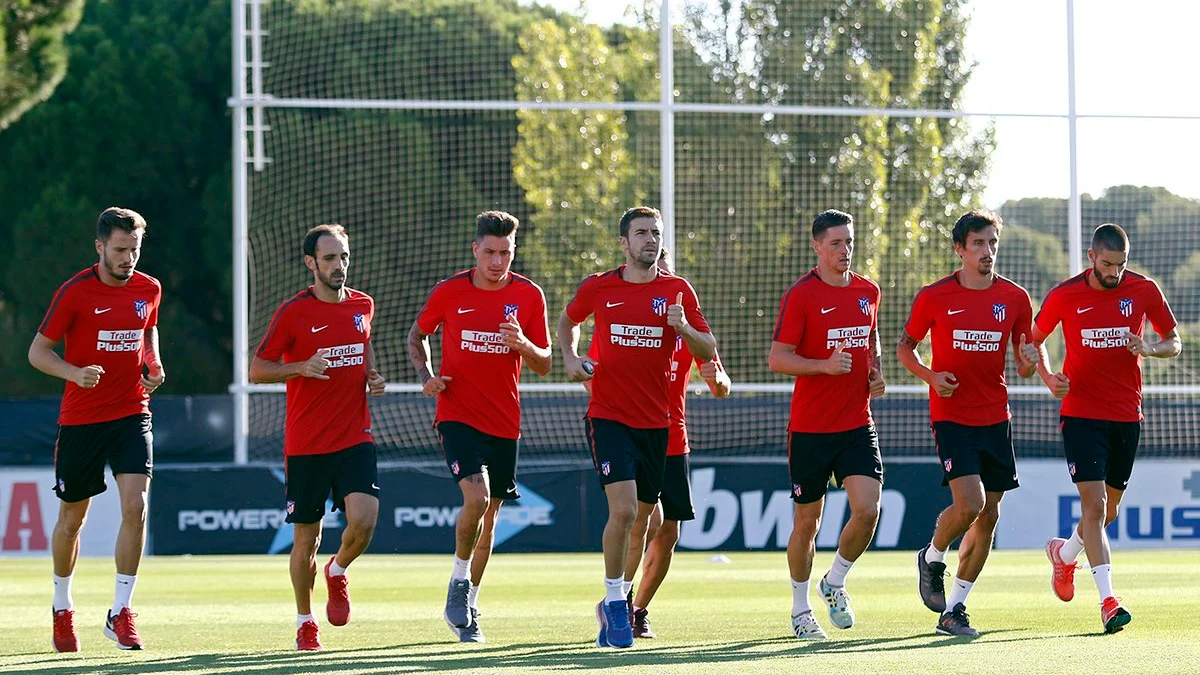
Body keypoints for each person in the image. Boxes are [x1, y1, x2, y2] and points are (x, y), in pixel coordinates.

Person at [558, 206, 717, 649]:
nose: (650, 239)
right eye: (641, 233)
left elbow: (708, 348)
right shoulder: (599, 286)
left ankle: (621, 603)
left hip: (656, 423)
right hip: (608, 416)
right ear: (623, 243)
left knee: (647, 520)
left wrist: (683, 326)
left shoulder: (677, 290)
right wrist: (570, 359)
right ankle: (615, 602)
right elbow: (569, 320)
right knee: (625, 510)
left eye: (656, 233)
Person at [407, 210, 552, 643]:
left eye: (505, 252)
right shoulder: (450, 291)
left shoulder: (529, 296)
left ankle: (468, 602)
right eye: (489, 251)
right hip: (457, 415)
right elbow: (417, 335)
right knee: (477, 496)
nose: (497, 261)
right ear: (475, 249)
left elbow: (544, 363)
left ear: (514, 251)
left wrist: (523, 344)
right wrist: (426, 377)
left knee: (491, 521)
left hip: (505, 422)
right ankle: (457, 580)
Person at [1033, 223, 1181, 634]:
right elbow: (1034, 339)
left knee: (1108, 510)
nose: (1115, 273)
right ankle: (1109, 601)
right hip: (1080, 413)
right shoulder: (1065, 294)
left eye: (1121, 265)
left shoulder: (1144, 289)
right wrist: (1048, 376)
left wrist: (1150, 347)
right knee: (1095, 506)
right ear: (1091, 257)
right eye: (1108, 264)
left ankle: (1064, 555)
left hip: (1127, 415)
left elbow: (1174, 341)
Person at [30, 207, 165, 652]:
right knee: (73, 520)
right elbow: (38, 352)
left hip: (132, 413)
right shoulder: (74, 292)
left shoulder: (150, 288)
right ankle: (62, 607)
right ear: (100, 247)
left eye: (135, 250)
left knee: (136, 506)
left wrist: (153, 361)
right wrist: (73, 373)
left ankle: (121, 611)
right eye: (121, 249)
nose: (129, 258)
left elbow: (148, 330)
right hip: (82, 421)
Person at [897, 208, 1037, 637]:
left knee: (989, 515)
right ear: (960, 249)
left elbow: (1024, 364)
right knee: (971, 503)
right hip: (952, 416)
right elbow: (906, 349)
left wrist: (1030, 362)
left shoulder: (1015, 298)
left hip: (996, 417)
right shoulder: (934, 296)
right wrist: (931, 377)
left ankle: (955, 609)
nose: (987, 251)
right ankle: (932, 555)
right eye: (978, 243)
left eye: (992, 243)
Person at [249, 224, 387, 651]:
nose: (339, 265)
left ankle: (339, 570)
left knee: (364, 520)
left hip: (354, 435)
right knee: (306, 539)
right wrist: (300, 367)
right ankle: (305, 619)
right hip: (307, 443)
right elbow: (257, 369)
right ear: (311, 263)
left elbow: (363, 347)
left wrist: (372, 375)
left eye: (343, 256)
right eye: (330, 258)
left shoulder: (363, 304)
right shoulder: (293, 313)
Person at [585, 248, 732, 639]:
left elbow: (718, 375)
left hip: (672, 436)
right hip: (630, 428)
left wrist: (718, 382)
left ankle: (637, 608)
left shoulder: (683, 325)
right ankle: (617, 599)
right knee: (641, 519)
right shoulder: (625, 320)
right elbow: (593, 366)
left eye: (665, 273)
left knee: (669, 532)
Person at [768, 209, 886, 640]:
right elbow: (778, 357)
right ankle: (800, 610)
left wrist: (876, 369)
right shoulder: (801, 295)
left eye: (849, 242)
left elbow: (870, 337)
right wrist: (823, 365)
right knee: (807, 524)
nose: (845, 250)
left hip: (857, 422)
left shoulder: (868, 291)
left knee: (868, 509)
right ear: (817, 246)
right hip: (811, 429)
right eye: (836, 243)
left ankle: (834, 580)